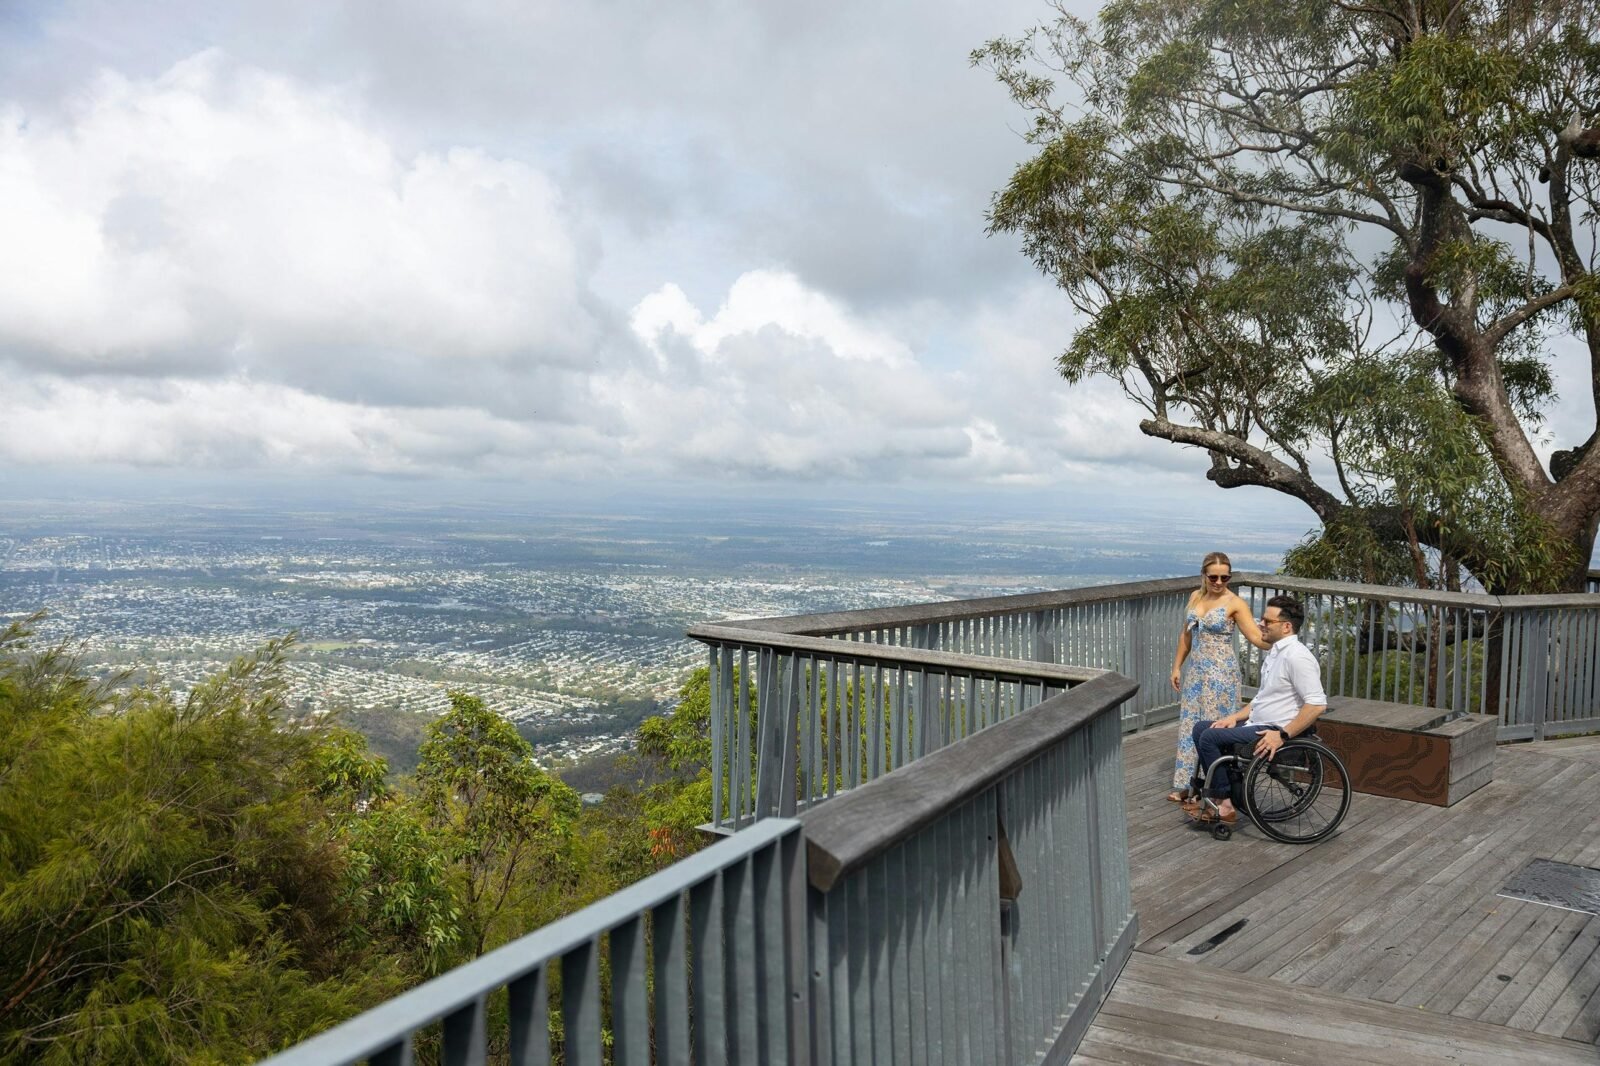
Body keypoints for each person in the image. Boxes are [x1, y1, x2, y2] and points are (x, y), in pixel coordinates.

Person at [1186, 594, 1327, 825]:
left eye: (1266, 621)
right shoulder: (1276, 653)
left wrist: (1282, 735)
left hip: (1274, 729)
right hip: (1258, 722)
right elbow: (1262, 699)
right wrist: (1233, 717)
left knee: (1210, 737)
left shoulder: (1297, 657)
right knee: (1202, 728)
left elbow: (1317, 704)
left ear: (1286, 626)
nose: (1260, 624)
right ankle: (1225, 792)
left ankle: (1224, 804)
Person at [1166, 552, 1268, 803]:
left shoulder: (1235, 603)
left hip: (1221, 673)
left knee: (1213, 727)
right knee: (1190, 725)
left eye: (1225, 577)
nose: (1219, 582)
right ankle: (1188, 784)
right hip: (1196, 671)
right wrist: (1177, 667)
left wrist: (1284, 642)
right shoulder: (1195, 597)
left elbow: (1255, 637)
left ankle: (1211, 788)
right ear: (1204, 575)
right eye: (1214, 577)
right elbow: (1186, 636)